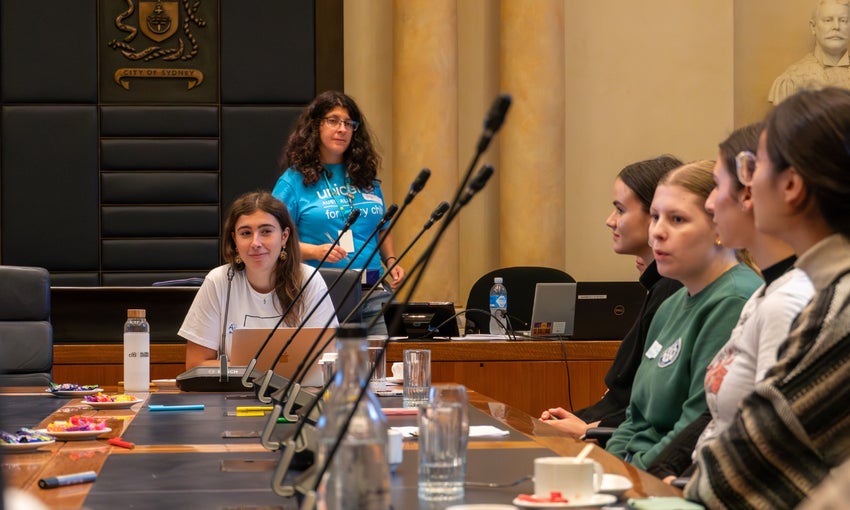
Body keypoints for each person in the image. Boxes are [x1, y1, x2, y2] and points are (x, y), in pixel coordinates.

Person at [685, 87, 850, 509]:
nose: (747, 185)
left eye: (751, 166)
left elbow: (750, 463)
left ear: (791, 184)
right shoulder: (827, 290)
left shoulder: (838, 307)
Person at [645, 124, 814, 482]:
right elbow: (713, 420)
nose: (709, 202)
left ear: (752, 193)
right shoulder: (763, 294)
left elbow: (770, 442)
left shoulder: (784, 300)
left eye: (718, 186)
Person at [604, 161, 762, 470]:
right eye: (655, 217)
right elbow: (634, 418)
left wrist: (630, 476)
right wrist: (608, 467)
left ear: (720, 227)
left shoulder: (733, 300)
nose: (657, 233)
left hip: (669, 478)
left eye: (677, 219)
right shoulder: (670, 304)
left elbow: (696, 426)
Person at [538, 155, 683, 437]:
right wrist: (583, 422)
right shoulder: (659, 286)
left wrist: (589, 429)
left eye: (619, 210)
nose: (609, 221)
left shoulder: (673, 288)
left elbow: (653, 406)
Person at [272, 91, 403, 335]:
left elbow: (381, 226)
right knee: (329, 370)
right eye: (333, 121)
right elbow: (273, 241)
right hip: (321, 294)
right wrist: (316, 251)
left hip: (374, 292)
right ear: (315, 126)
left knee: (382, 366)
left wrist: (392, 260)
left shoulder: (365, 177)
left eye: (348, 123)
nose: (341, 129)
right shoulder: (293, 181)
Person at [180, 191, 338, 369]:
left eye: (266, 231)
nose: (256, 242)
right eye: (246, 233)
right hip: (234, 393)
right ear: (235, 240)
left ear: (284, 236)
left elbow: (328, 360)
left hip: (296, 392)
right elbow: (196, 364)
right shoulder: (218, 281)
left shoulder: (309, 280)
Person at [769, 0, 850, 104]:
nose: (836, 26)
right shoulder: (791, 80)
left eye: (843, 20)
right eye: (828, 20)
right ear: (813, 27)